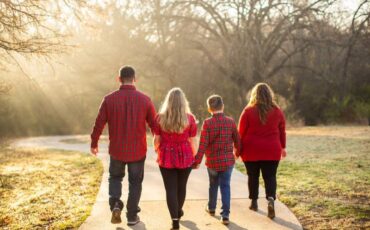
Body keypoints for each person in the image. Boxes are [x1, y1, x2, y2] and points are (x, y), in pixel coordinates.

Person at [90, 66, 157, 225]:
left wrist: (94, 143)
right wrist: (158, 144)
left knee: (115, 178)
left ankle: (115, 205)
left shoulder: (109, 99)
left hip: (117, 150)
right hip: (137, 150)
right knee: (135, 183)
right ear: (135, 79)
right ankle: (132, 216)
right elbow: (154, 125)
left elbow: (99, 123)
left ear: (119, 79)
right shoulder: (145, 99)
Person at [238, 83, 286, 219]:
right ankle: (270, 199)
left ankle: (254, 202)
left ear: (254, 95)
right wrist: (283, 147)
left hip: (251, 150)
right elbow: (282, 131)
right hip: (272, 150)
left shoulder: (248, 111)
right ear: (270, 94)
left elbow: (240, 133)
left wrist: (237, 150)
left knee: (253, 176)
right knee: (270, 176)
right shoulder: (277, 111)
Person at [153, 88, 197, 230]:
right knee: (181, 186)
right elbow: (192, 140)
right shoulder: (189, 118)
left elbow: (156, 139)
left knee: (170, 189)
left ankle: (175, 220)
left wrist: (157, 151)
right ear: (183, 102)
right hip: (185, 155)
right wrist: (195, 157)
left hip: (166, 155)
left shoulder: (160, 117)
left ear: (168, 101)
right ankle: (178, 211)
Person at [193, 95, 240, 225]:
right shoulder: (230, 121)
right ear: (223, 106)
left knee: (213, 185)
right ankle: (225, 215)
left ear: (209, 109)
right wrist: (238, 152)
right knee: (225, 186)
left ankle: (211, 208)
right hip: (227, 161)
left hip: (213, 162)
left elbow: (202, 144)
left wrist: (197, 161)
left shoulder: (207, 123)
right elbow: (237, 139)